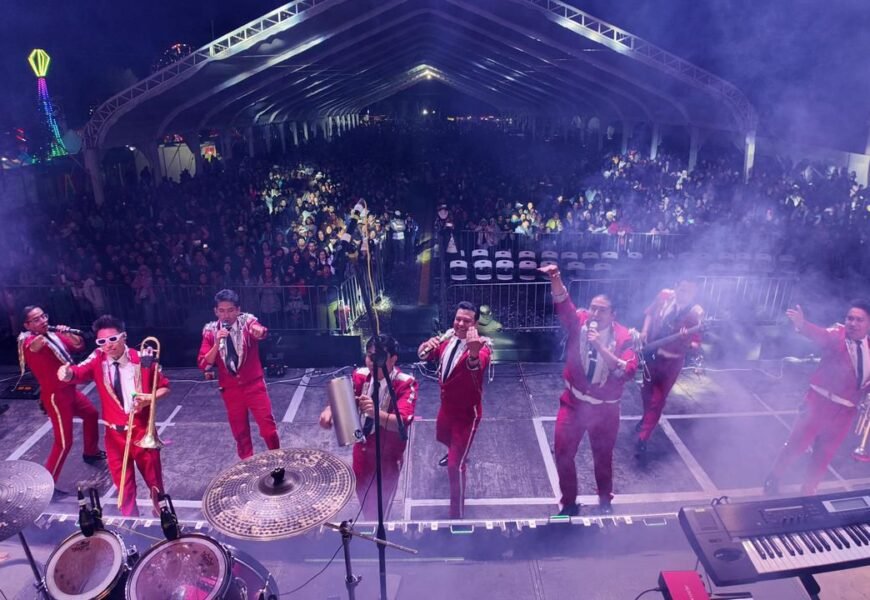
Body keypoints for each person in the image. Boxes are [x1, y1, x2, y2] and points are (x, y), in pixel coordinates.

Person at [540, 265, 638, 516]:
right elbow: (564, 304)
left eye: (601, 310)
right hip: (573, 404)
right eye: (593, 307)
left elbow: (626, 371)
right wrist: (555, 277)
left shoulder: (624, 337)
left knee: (603, 456)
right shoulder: (581, 322)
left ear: (613, 314)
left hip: (605, 410)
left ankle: (605, 500)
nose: (595, 313)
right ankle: (570, 504)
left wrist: (601, 347)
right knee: (563, 454)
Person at [58, 315, 167, 517]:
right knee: (123, 485)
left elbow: (164, 387)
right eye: (102, 342)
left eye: (112, 339)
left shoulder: (141, 358)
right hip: (114, 435)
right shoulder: (98, 358)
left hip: (141, 430)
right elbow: (79, 372)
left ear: (123, 337)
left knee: (154, 480)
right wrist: (67, 373)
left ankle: (162, 514)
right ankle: (130, 522)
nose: (107, 345)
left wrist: (148, 399)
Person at [764, 300, 870, 495]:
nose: (853, 323)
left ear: (868, 323)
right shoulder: (836, 335)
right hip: (818, 402)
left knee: (825, 454)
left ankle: (809, 490)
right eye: (850, 318)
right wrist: (802, 325)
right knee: (797, 444)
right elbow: (819, 335)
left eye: (859, 320)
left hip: (846, 411)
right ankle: (774, 477)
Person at [319, 334, 418, 519]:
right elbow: (342, 398)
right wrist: (329, 411)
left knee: (380, 511)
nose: (373, 362)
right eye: (369, 356)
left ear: (393, 359)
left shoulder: (405, 383)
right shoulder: (360, 375)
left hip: (388, 457)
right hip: (361, 451)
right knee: (365, 501)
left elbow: (402, 423)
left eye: (379, 358)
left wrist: (376, 414)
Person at [418, 301, 491, 519]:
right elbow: (423, 355)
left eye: (466, 320)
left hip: (467, 415)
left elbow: (477, 364)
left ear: (475, 323)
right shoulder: (447, 339)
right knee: (444, 439)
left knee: (455, 467)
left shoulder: (482, 346)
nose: (460, 323)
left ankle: (456, 515)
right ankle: (457, 453)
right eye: (458, 318)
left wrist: (473, 354)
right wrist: (425, 346)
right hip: (446, 408)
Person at [18, 305, 104, 489]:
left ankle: (91, 451)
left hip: (70, 390)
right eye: (37, 319)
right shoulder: (27, 341)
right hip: (56, 397)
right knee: (64, 442)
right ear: (27, 325)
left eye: (44, 316)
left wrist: (66, 333)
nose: (43, 321)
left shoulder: (54, 335)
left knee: (91, 414)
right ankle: (47, 484)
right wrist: (46, 332)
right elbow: (34, 346)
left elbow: (78, 344)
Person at [198, 289, 280, 459]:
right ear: (215, 311)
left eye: (230, 310)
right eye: (221, 311)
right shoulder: (210, 331)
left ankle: (277, 460)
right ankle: (247, 468)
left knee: (268, 430)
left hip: (254, 385)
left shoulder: (247, 321)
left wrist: (259, 331)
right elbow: (203, 363)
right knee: (240, 434)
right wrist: (217, 343)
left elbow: (259, 329)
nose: (226, 315)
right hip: (230, 390)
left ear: (237, 310)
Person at [635, 277, 704, 458]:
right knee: (645, 393)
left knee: (658, 400)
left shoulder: (695, 313)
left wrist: (687, 340)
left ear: (695, 293)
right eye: (682, 288)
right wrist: (644, 331)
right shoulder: (664, 296)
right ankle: (645, 418)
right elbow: (649, 313)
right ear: (676, 287)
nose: (685, 293)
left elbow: (696, 345)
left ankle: (643, 438)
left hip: (671, 363)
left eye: (689, 291)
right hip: (651, 356)